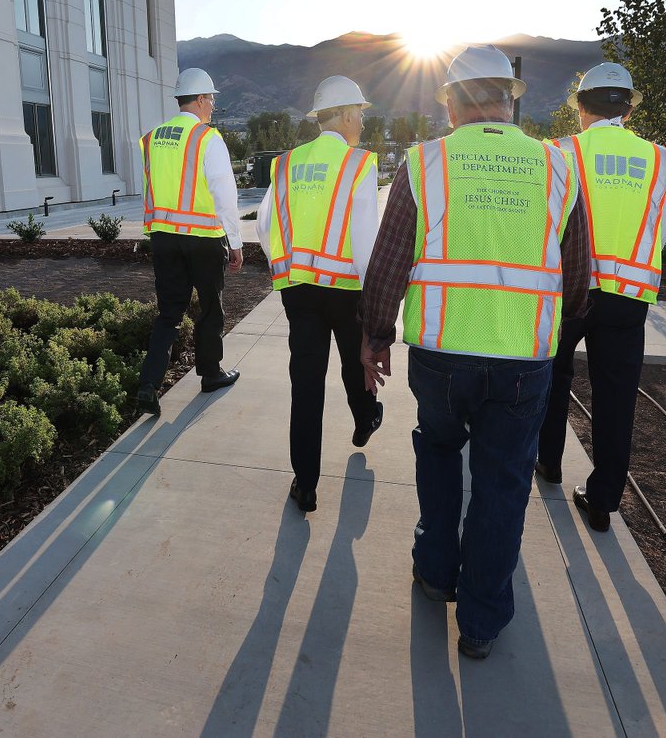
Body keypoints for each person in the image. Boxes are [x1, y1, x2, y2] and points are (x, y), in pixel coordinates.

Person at [360, 45, 590, 659]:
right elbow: (576, 276)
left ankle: (437, 573)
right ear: (509, 98)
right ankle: (482, 622)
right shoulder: (558, 165)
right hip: (522, 360)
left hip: (439, 353)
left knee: (438, 453)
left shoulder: (426, 162)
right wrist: (550, 336)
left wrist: (375, 338)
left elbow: (388, 263)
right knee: (503, 484)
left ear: (452, 101)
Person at [535, 63, 666, 532]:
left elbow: (544, 223)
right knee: (616, 398)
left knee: (552, 379)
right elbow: (660, 229)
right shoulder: (661, 159)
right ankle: (603, 502)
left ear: (581, 107)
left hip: (566, 288)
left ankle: (550, 462)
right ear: (627, 109)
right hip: (628, 296)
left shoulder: (557, 152)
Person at [256, 76, 383, 513]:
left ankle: (305, 483)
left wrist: (285, 268)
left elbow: (264, 222)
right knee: (355, 360)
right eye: (361, 114)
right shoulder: (357, 164)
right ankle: (365, 418)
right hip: (346, 289)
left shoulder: (287, 164)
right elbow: (365, 237)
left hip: (299, 290)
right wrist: (375, 301)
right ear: (346, 114)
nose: (363, 123)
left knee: (306, 383)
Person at [136, 68, 244, 416]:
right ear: (199, 99)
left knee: (168, 313)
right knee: (210, 309)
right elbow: (225, 194)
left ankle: (148, 386)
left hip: (164, 238)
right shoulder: (206, 137)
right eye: (211, 98)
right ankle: (210, 374)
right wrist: (236, 241)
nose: (212, 105)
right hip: (202, 239)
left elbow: (153, 187)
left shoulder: (151, 138)